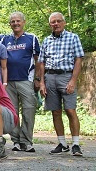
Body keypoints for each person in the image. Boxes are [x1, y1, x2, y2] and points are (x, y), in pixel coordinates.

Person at [38, 12, 84, 156]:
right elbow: (42, 62)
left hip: (66, 76)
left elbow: (78, 60)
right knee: (55, 112)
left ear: (64, 23)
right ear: (50, 24)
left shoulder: (73, 37)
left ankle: (76, 144)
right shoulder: (46, 40)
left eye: (58, 21)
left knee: (70, 110)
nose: (56, 24)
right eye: (53, 22)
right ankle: (62, 143)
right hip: (50, 77)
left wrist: (73, 80)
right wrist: (42, 83)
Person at [0, 11, 40, 152]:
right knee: (12, 112)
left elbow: (38, 60)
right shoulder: (4, 39)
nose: (15, 23)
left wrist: (38, 79)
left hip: (26, 80)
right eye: (13, 21)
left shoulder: (32, 38)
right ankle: (16, 141)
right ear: (9, 24)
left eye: (18, 21)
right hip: (8, 82)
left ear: (23, 22)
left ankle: (27, 141)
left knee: (29, 110)